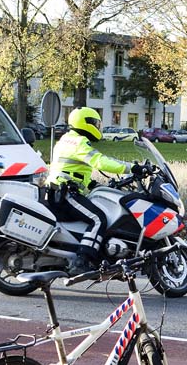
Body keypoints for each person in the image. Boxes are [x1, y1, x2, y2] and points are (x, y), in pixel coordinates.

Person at [47, 106, 133, 275]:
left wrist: (93, 184)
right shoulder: (78, 141)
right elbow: (99, 161)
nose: (98, 127)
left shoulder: (67, 138)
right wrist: (131, 167)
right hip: (65, 194)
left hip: (60, 190)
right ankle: (82, 260)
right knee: (99, 219)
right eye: (95, 123)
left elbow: (72, 169)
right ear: (86, 123)